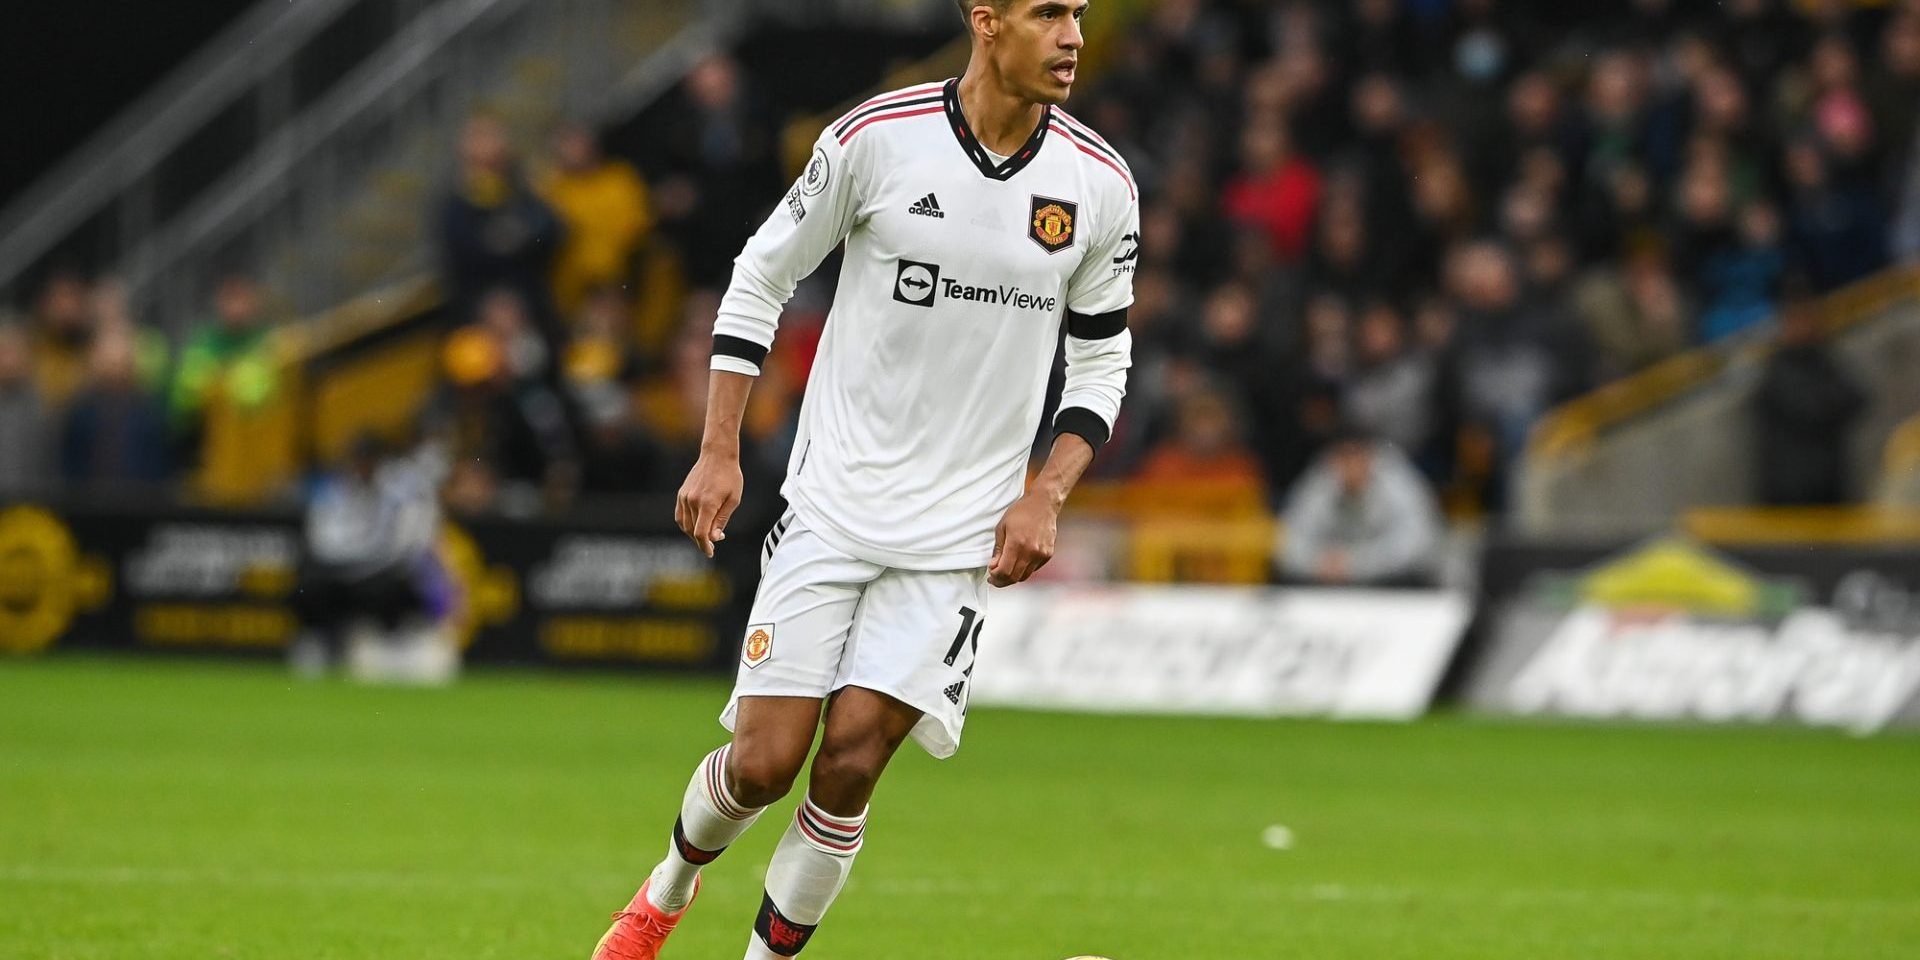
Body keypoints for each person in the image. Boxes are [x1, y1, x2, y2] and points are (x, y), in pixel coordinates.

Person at [587, 2, 1137, 958]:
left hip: (957, 538)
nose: (1074, 37)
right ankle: (666, 891)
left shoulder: (1099, 183)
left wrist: (1045, 492)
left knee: (847, 766)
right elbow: (760, 276)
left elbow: (1102, 359)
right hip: (833, 506)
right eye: (1049, 13)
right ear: (987, 20)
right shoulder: (876, 141)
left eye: (1082, 15)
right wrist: (719, 447)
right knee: (762, 765)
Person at [1277, 429, 1442, 588]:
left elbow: (1419, 542)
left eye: (1357, 456)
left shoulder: (1395, 478)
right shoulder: (1322, 479)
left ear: (1371, 456)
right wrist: (1318, 563)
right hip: (1332, 585)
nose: (1351, 465)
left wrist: (1356, 564)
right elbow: (1287, 541)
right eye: (1344, 457)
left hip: (1390, 584)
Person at [1752, 288, 1866, 505]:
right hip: (1791, 493)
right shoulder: (1778, 369)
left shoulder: (1824, 360)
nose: (1807, 325)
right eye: (1799, 319)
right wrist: (1831, 403)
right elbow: (1810, 409)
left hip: (1830, 485)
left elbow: (1858, 397)